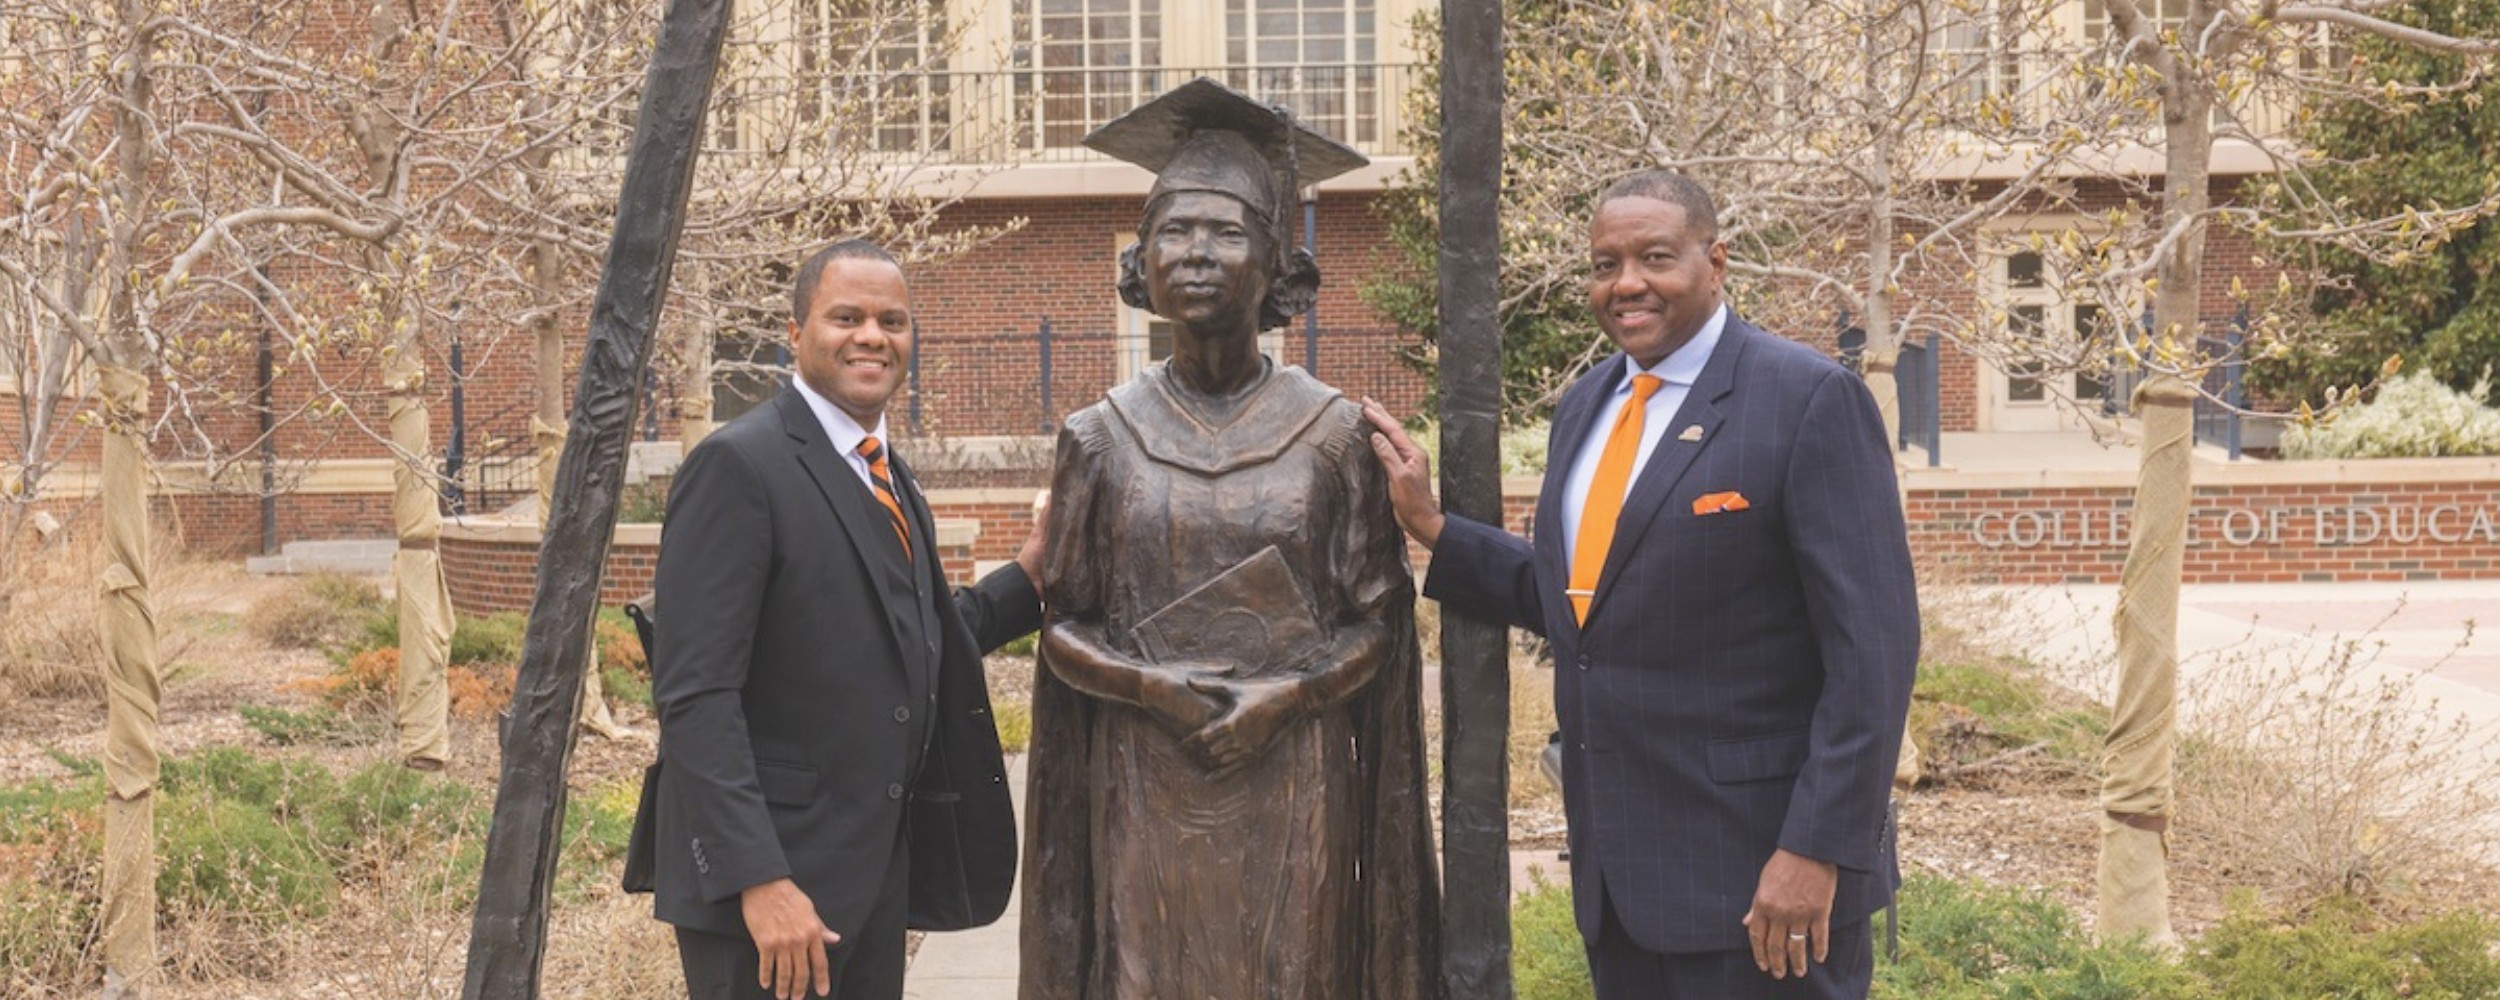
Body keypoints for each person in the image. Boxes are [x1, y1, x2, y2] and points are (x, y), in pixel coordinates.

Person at [1363, 169, 1919, 999]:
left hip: (1767, 881)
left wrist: (1818, 849)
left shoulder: (1805, 399)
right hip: (1624, 886)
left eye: (1655, 257)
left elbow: (1874, 652)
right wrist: (1435, 529)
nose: (1626, 284)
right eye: (1604, 263)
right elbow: (1584, 598)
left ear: (1716, 260)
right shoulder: (1588, 405)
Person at [1019, 78, 1443, 1000]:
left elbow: (1379, 622)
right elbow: (1064, 627)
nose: (1196, 254)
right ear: (1141, 264)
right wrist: (1155, 688)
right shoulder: (1099, 435)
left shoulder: (1334, 435)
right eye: (1174, 231)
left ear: (1278, 268)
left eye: (1227, 232)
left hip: (1296, 784)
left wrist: (1288, 698)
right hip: (1144, 783)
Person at [637, 239, 1044, 1000]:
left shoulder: (885, 471)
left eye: (892, 320)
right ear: (795, 334)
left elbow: (909, 636)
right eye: (846, 316)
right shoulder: (740, 467)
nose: (872, 336)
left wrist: (1030, 578)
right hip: (771, 898)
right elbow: (694, 696)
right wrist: (759, 881)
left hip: (870, 875)